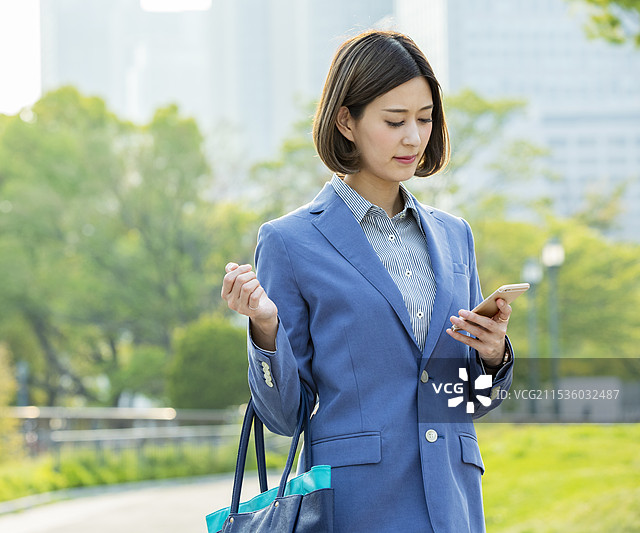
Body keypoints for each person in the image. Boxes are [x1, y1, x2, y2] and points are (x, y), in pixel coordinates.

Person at [220, 30, 515, 532]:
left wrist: (491, 355)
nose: (413, 138)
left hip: (454, 506)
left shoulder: (453, 236)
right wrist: (265, 330)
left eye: (424, 119)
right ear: (346, 121)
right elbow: (284, 417)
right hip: (357, 509)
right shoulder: (290, 243)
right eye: (395, 121)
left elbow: (464, 401)